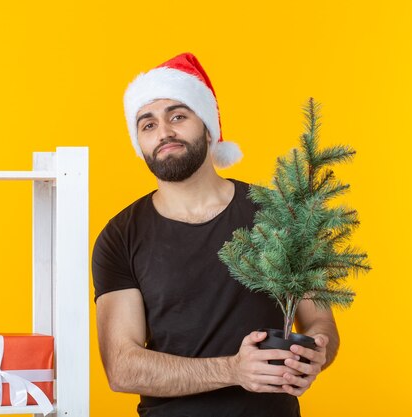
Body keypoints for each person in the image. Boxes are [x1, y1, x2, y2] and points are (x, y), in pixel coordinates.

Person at [92, 53, 339, 417]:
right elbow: (122, 366)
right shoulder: (120, 237)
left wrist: (316, 352)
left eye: (178, 116)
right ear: (139, 143)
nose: (164, 132)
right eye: (147, 124)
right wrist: (233, 370)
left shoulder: (277, 214)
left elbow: (320, 321)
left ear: (209, 128)